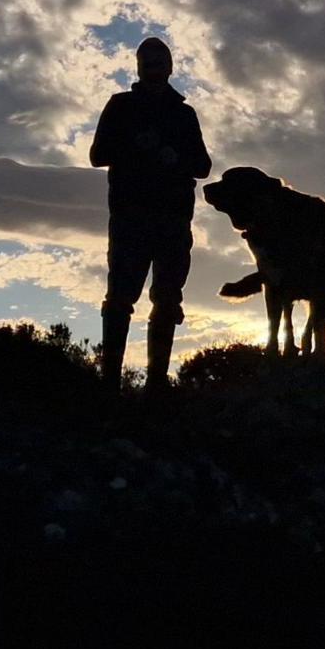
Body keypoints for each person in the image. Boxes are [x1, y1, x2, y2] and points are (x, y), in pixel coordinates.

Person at [88, 37, 211, 392]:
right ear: (139, 67)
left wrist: (177, 158)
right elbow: (97, 156)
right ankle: (109, 386)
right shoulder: (120, 106)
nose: (154, 68)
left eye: (160, 61)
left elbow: (202, 166)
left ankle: (156, 387)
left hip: (173, 221)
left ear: (170, 67)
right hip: (130, 218)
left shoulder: (184, 114)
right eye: (148, 61)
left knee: (168, 299)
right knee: (120, 298)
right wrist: (133, 146)